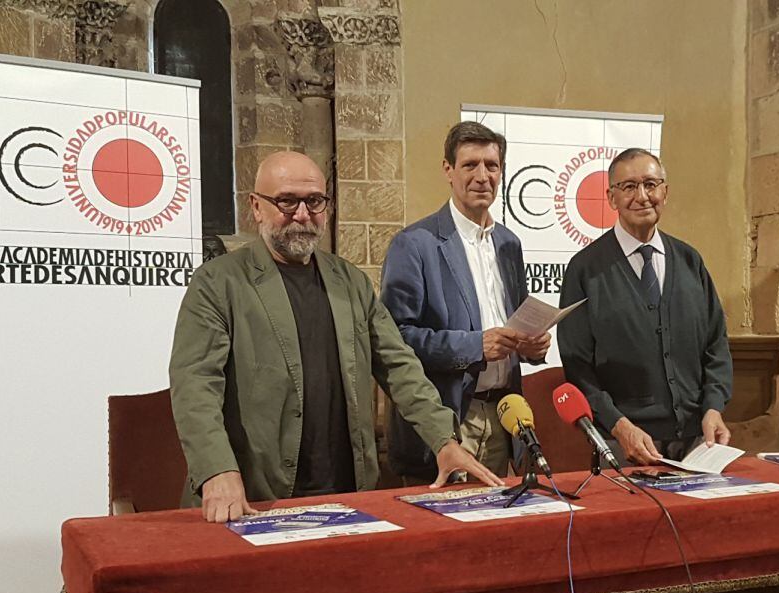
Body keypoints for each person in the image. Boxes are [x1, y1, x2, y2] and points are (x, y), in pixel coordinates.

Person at [169, 151, 503, 522]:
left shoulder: (350, 281)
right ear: (256, 207)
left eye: (314, 201)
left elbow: (399, 366)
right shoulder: (218, 283)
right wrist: (216, 469)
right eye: (286, 201)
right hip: (257, 494)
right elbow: (195, 386)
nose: (301, 214)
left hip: (345, 492)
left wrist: (444, 440)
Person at [381, 122, 550, 483]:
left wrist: (532, 345)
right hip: (449, 416)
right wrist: (475, 345)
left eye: (491, 165)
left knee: (497, 532)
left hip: (503, 413)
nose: (482, 176)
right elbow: (396, 337)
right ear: (448, 170)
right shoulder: (415, 243)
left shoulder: (509, 244)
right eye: (470, 164)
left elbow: (515, 321)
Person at [557, 148, 732, 465]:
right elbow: (577, 367)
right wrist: (619, 427)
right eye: (628, 187)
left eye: (651, 184)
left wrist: (713, 407)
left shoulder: (690, 261)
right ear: (611, 198)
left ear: (665, 192)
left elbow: (716, 345)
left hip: (698, 443)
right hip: (624, 446)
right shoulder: (584, 270)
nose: (642, 196)